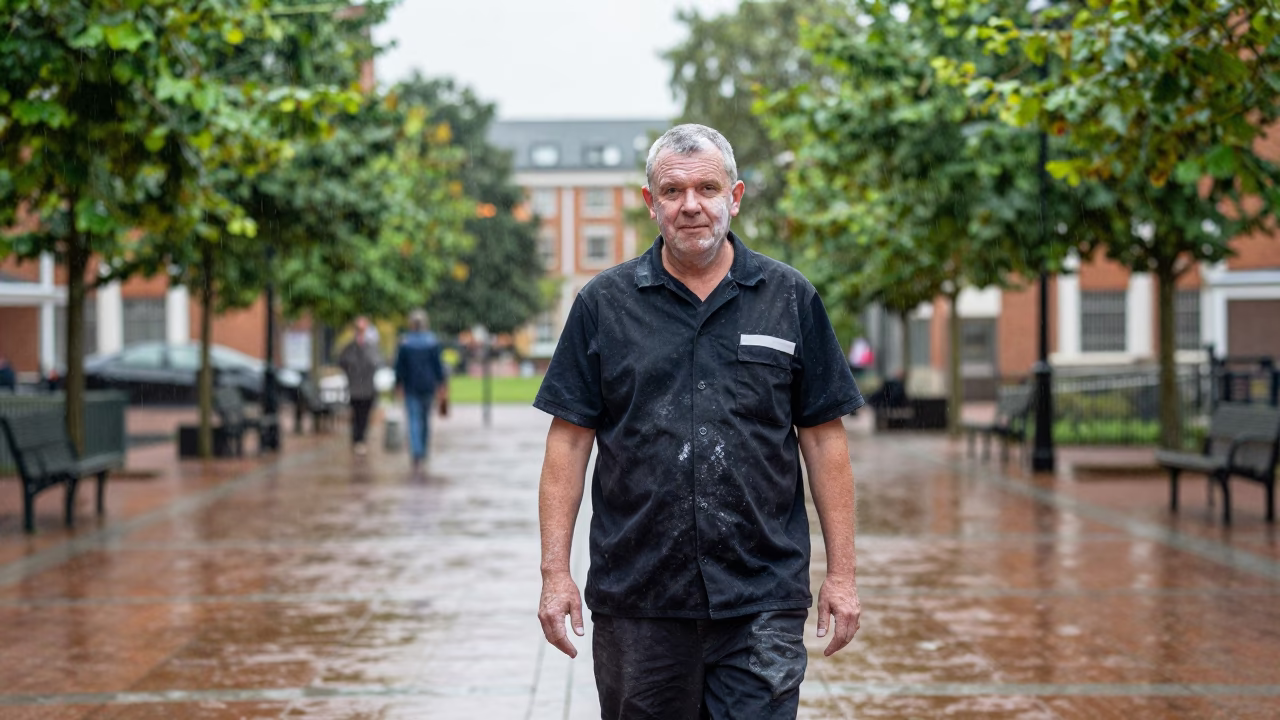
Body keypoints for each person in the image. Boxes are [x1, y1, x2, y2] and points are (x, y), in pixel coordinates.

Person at [533, 124, 865, 719]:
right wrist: (555, 574)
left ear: (734, 197)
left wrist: (841, 576)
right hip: (638, 599)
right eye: (673, 191)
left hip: (760, 596)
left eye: (707, 188)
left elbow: (823, 439)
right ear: (650, 203)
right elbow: (568, 443)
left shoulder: (789, 298)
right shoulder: (602, 306)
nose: (691, 205)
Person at [394, 310, 448, 468]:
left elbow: (400, 367)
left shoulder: (405, 343)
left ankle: (416, 451)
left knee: (413, 419)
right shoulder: (432, 342)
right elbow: (438, 367)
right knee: (425, 420)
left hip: (411, 386)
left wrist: (398, 384)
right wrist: (441, 384)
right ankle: (422, 450)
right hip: (428, 386)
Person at [338, 316, 382, 455]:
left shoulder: (371, 347)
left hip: (368, 388)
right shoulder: (350, 347)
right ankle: (356, 440)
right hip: (354, 387)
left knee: (364, 415)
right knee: (356, 415)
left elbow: (376, 362)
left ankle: (361, 439)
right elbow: (342, 362)